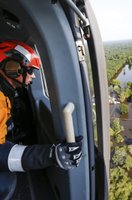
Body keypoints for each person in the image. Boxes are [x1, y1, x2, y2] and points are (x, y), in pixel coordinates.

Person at [0, 40, 83, 200]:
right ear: (12, 69)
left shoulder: (6, 94)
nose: (33, 75)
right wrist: (51, 155)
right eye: (30, 70)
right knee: (6, 183)